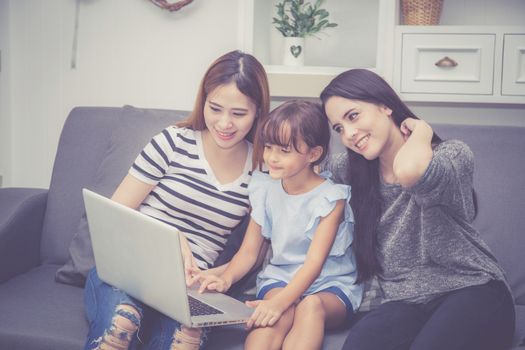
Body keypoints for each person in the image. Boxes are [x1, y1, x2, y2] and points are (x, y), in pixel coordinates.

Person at [83, 50, 270, 350]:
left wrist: (211, 278)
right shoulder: (173, 141)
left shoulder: (262, 169)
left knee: (183, 340)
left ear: (258, 111)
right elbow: (113, 218)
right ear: (203, 100)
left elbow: (249, 255)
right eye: (215, 108)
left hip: (189, 290)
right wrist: (172, 239)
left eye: (238, 114)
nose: (224, 123)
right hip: (131, 268)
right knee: (121, 322)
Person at [320, 68, 515, 350]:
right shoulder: (351, 169)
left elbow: (410, 172)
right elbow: (298, 160)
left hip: (473, 289)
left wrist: (421, 131)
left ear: (385, 105)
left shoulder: (452, 155)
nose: (348, 134)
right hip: (404, 302)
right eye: (338, 128)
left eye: (353, 116)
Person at [196, 100, 363, 350]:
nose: (271, 158)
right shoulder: (265, 189)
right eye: (269, 147)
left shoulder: (331, 198)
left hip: (330, 285)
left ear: (313, 154)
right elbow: (249, 252)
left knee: (309, 306)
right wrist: (226, 279)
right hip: (281, 277)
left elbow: (314, 264)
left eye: (284, 151)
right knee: (274, 313)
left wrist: (282, 301)